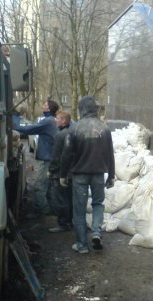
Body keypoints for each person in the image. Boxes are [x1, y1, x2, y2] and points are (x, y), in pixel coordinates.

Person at [60, 96, 115, 254]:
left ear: (81, 109)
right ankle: (96, 232)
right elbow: (110, 154)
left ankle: (82, 245)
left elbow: (67, 154)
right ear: (95, 109)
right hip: (98, 174)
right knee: (98, 204)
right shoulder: (104, 129)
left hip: (80, 175)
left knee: (79, 210)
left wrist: (63, 175)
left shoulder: (74, 129)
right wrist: (111, 175)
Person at [14, 100, 59, 217]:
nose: (42, 105)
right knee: (48, 185)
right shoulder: (51, 120)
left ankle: (41, 210)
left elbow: (27, 129)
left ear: (49, 108)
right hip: (51, 157)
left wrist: (15, 115)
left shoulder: (47, 121)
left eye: (44, 104)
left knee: (39, 185)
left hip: (47, 159)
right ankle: (51, 208)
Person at [47, 111, 74, 233]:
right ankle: (70, 221)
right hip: (72, 172)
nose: (55, 120)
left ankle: (63, 223)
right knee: (70, 198)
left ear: (64, 120)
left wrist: (50, 170)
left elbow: (56, 156)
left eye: (57, 118)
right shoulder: (73, 133)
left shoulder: (60, 135)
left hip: (60, 173)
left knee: (61, 199)